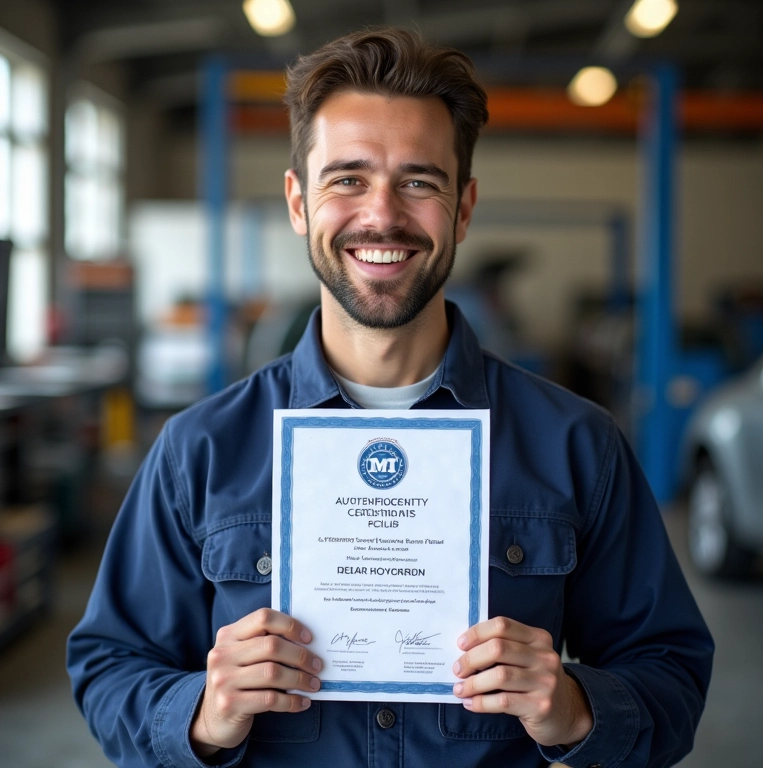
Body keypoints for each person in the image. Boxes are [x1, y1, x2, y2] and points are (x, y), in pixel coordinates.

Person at [67, 27, 713, 768]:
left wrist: (573, 706)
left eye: (419, 181)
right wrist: (203, 714)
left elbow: (672, 673)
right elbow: (110, 667)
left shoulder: (577, 444)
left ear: (463, 208)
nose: (382, 215)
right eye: (346, 178)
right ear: (298, 202)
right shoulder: (200, 450)